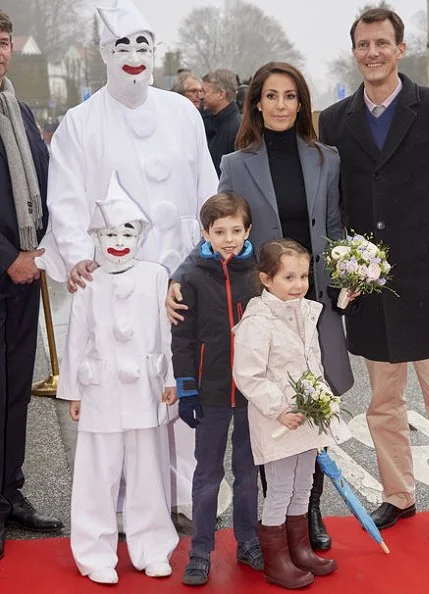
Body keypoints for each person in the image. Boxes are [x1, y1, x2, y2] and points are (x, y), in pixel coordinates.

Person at [39, 0, 218, 522]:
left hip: (179, 277)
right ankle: (121, 502)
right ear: (103, 53)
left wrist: (209, 252)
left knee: (180, 381)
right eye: (123, 46)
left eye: (143, 45)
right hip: (115, 280)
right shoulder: (80, 122)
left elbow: (207, 186)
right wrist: (77, 258)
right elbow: (66, 198)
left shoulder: (182, 112)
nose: (134, 56)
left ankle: (184, 496)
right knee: (120, 391)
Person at [319, 7, 429, 549]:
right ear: (354, 51)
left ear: (400, 48)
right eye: (363, 44)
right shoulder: (335, 120)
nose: (372, 52)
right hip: (372, 290)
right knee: (383, 403)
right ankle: (398, 495)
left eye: (381, 43)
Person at [168, 61, 353, 551]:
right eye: (271, 96)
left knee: (316, 405)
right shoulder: (235, 163)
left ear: (301, 103)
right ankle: (281, 523)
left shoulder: (326, 158)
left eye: (290, 96)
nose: (280, 105)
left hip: (313, 303)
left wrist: (340, 284)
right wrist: (179, 276)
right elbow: (220, 231)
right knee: (276, 414)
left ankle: (309, 511)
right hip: (264, 308)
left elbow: (333, 229)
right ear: (256, 103)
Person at [56, 172, 179, 585]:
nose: (118, 241)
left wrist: (171, 380)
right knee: (97, 473)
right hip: (100, 387)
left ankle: (153, 547)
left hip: (145, 386)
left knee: (149, 471)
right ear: (97, 237)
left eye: (126, 231)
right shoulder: (88, 282)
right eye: (109, 233)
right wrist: (72, 391)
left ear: (139, 234)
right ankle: (94, 553)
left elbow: (166, 332)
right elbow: (76, 338)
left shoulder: (155, 276)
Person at [233, 239, 350, 589]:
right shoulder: (258, 320)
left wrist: (320, 400)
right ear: (266, 279)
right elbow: (248, 374)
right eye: (289, 277)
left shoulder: (303, 310)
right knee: (280, 488)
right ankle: (276, 560)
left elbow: (311, 362)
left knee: (304, 484)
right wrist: (281, 409)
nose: (299, 284)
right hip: (277, 419)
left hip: (306, 417)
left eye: (303, 276)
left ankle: (300, 550)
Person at [172, 192, 262, 586]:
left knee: (247, 471)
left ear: (249, 230)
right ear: (205, 231)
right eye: (220, 231)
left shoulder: (260, 269)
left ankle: (248, 540)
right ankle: (200, 550)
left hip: (250, 394)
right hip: (209, 393)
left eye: (236, 230)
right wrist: (186, 387)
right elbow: (183, 338)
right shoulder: (189, 275)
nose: (229, 238)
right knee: (207, 474)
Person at [0, 9, 63, 560]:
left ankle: (9, 493)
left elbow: (45, 180)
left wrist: (47, 247)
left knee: (16, 392)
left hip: (23, 279)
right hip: (4, 268)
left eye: (2, 42)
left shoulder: (16, 108)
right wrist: (7, 257)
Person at [202, 69, 241, 176]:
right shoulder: (212, 123)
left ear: (221, 94)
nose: (201, 97)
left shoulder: (238, 128)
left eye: (205, 92)